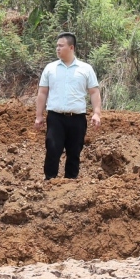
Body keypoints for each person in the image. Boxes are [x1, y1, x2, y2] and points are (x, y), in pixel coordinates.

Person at [34, 32, 102, 179]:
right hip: (55, 117)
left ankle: (70, 184)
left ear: (71, 47)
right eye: (57, 45)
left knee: (74, 152)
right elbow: (42, 93)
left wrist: (97, 113)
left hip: (77, 118)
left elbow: (94, 92)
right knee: (52, 148)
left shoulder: (85, 69)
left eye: (61, 45)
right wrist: (39, 116)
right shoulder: (50, 68)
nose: (57, 48)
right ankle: (49, 180)